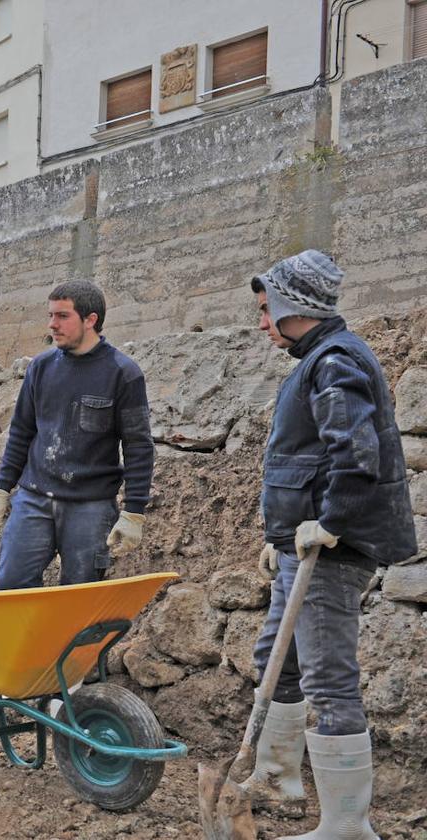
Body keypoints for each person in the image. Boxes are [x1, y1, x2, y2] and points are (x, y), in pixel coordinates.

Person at [245, 250, 415, 839]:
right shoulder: (316, 359)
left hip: (331, 549)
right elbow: (309, 455)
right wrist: (281, 538)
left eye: (267, 310)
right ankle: (275, 777)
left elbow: (354, 452)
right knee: (275, 659)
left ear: (295, 305)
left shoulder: (336, 360)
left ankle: (347, 825)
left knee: (329, 682)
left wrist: (331, 522)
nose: (262, 323)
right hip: (302, 544)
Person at [0, 280, 154, 590]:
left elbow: (138, 447)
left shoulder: (123, 373)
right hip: (34, 499)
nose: (52, 324)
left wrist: (134, 513)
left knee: (79, 596)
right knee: (10, 585)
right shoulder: (42, 368)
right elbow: (22, 432)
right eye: (51, 315)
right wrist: (1, 488)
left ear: (91, 320)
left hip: (90, 507)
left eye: (62, 316)